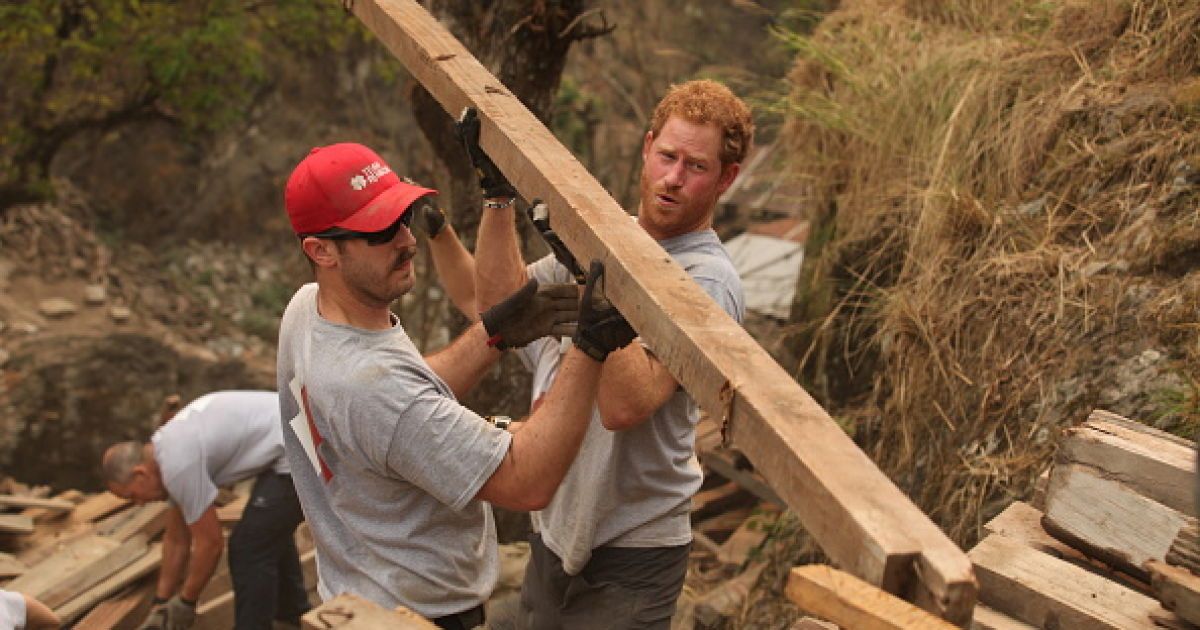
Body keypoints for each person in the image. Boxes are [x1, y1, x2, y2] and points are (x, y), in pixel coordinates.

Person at [276, 142, 636, 629]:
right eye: (380, 231)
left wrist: (493, 334)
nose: (406, 240)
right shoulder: (372, 387)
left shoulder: (307, 311)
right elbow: (527, 479)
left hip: (358, 593)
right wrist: (589, 347)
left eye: (402, 217)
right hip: (418, 617)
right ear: (321, 251)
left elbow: (406, 399)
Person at [467, 78, 752, 629]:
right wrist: (498, 197)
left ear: (726, 178)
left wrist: (585, 269)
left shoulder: (707, 280)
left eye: (696, 166)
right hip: (556, 529)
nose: (673, 178)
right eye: (667, 156)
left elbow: (627, 405)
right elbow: (500, 309)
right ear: (647, 148)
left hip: (634, 552)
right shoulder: (606, 237)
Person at [102, 391, 310, 630]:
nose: (138, 503)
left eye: (132, 496)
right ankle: (291, 617)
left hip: (301, 444)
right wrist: (161, 602)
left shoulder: (176, 465)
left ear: (141, 473)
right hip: (293, 436)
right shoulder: (166, 452)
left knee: (248, 547)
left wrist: (186, 601)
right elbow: (176, 540)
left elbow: (210, 544)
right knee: (266, 534)